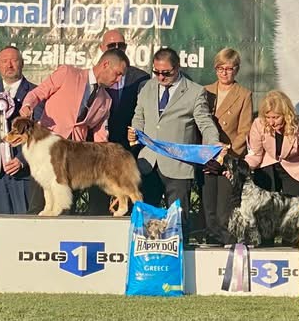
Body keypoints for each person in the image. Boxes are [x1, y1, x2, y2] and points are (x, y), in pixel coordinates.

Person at [20, 48, 128, 214]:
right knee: (38, 206)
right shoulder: (67, 73)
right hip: (46, 150)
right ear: (105, 64)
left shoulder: (106, 100)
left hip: (74, 158)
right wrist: (28, 106)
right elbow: (38, 93)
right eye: (118, 73)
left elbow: (101, 137)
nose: (119, 79)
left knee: (66, 210)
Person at [130, 48, 220, 227]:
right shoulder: (147, 87)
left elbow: (205, 123)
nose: (160, 77)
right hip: (148, 164)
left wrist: (214, 146)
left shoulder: (195, 92)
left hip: (178, 166)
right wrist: (135, 131)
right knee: (144, 221)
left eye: (166, 73)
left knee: (178, 222)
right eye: (156, 72)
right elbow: (139, 116)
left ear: (177, 67)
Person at [202, 48, 253, 245]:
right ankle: (210, 237)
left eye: (229, 68)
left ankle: (226, 239)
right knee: (208, 201)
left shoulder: (244, 94)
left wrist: (227, 150)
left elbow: (245, 129)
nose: (224, 73)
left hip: (229, 157)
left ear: (236, 70)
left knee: (224, 205)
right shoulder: (205, 91)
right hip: (206, 154)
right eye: (220, 68)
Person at [0, 46, 38, 215]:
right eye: (4, 61)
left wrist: (21, 159)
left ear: (22, 63)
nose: (9, 65)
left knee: (24, 221)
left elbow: (40, 133)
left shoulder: (36, 93)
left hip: (23, 171)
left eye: (14, 60)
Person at [245, 90, 299, 203]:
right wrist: (242, 167)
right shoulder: (259, 124)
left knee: (294, 207)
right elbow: (255, 155)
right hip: (268, 165)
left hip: (295, 169)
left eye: (275, 117)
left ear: (286, 114)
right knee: (266, 206)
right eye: (268, 117)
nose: (271, 122)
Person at [100, 30, 150, 152]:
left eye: (121, 45)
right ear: (101, 48)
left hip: (129, 148)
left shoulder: (141, 78)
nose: (117, 49)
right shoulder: (95, 77)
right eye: (112, 45)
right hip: (99, 146)